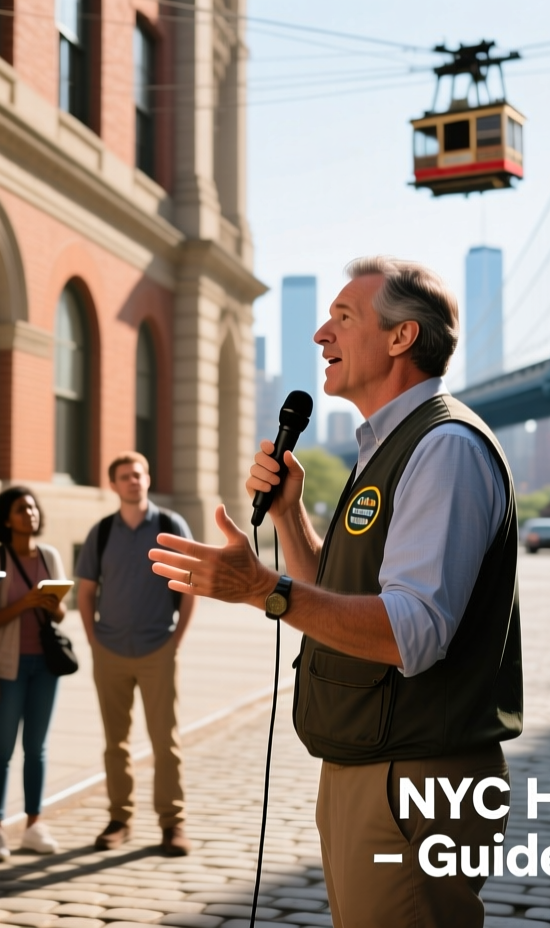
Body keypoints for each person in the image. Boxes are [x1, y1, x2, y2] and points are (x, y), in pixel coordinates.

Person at [146, 257, 521, 928]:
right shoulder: (386, 449)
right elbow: (337, 599)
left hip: (414, 776)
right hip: (370, 765)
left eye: (344, 318)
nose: (322, 335)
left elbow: (410, 633)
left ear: (402, 337)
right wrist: (289, 516)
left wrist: (262, 588)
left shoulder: (445, 448)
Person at [74, 451, 195, 856]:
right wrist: (93, 640)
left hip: (157, 647)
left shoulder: (168, 525)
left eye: (139, 474)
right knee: (116, 743)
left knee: (166, 741)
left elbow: (187, 585)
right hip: (109, 650)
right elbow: (86, 589)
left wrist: (175, 640)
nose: (133, 481)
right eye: (125, 476)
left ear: (147, 478)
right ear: (114, 485)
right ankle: (119, 819)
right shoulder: (102, 532)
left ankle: (172, 823)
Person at [0, 487, 68, 861]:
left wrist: (49, 604)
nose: (29, 512)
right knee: (2, 748)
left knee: (37, 749)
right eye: (20, 508)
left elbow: (61, 613)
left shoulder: (49, 556)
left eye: (32, 506)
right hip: (7, 666)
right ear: (5, 518)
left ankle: (34, 824)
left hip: (45, 666)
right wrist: (23, 603)